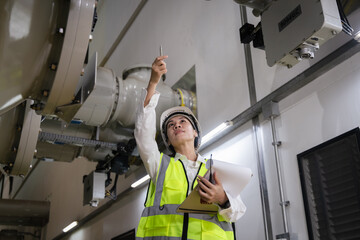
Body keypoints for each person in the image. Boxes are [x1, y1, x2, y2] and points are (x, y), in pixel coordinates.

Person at [134, 56, 246, 240]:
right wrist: (153, 82)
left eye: (182, 121)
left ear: (195, 133)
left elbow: (238, 212)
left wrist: (222, 199)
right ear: (168, 141)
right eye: (171, 125)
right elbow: (142, 132)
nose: (176, 125)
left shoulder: (216, 170)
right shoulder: (160, 165)